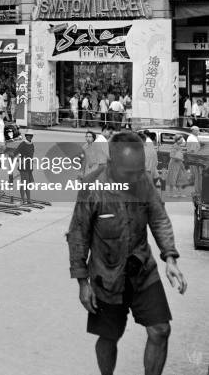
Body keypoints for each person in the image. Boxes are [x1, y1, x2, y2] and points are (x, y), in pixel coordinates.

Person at [67, 132, 187, 375]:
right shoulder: (91, 187)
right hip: (107, 277)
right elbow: (78, 236)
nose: (135, 177)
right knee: (109, 337)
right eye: (128, 172)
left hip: (143, 270)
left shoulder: (142, 182)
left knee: (160, 330)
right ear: (111, 164)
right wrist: (83, 283)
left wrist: (170, 258)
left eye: (138, 171)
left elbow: (159, 218)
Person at [13, 130, 35, 204]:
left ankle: (28, 199)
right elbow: (16, 152)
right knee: (24, 183)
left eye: (32, 136)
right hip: (23, 166)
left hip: (29, 166)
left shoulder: (32, 144)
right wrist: (19, 159)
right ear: (26, 136)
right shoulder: (23, 144)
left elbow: (31, 154)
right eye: (29, 135)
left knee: (28, 184)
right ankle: (23, 200)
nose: (31, 137)